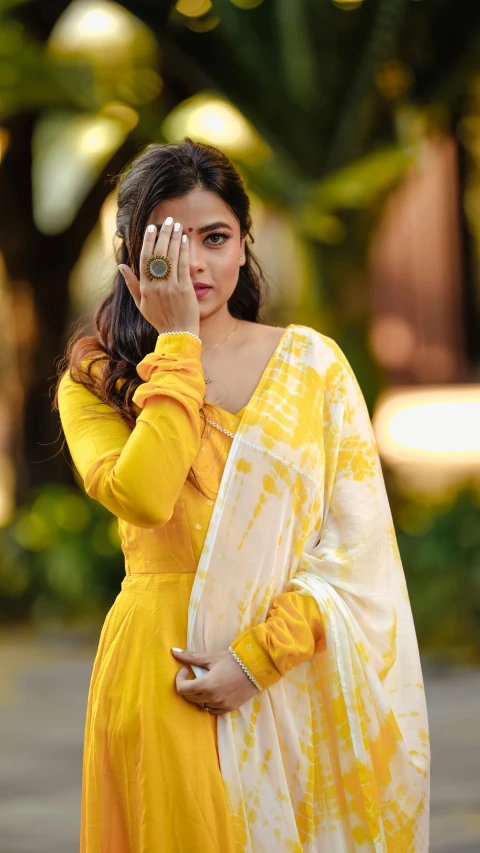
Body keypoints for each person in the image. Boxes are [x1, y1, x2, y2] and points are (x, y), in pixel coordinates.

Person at [54, 138, 430, 853]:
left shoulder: (312, 366)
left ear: (244, 244)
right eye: (170, 241)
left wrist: (258, 658)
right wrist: (178, 348)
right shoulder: (96, 379)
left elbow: (355, 552)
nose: (194, 263)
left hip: (289, 676)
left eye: (215, 237)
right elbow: (143, 494)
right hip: (165, 675)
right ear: (132, 260)